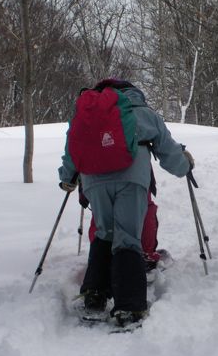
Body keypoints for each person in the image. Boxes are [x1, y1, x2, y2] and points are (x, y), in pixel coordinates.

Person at [59, 78, 193, 327]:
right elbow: (167, 151)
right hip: (131, 179)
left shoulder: (86, 113)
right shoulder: (142, 112)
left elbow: (72, 149)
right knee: (128, 238)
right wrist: (185, 165)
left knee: (104, 233)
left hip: (93, 181)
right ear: (132, 92)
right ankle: (129, 308)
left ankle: (94, 298)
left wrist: (67, 178)